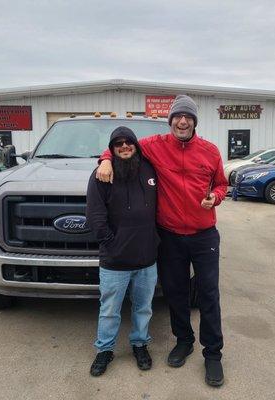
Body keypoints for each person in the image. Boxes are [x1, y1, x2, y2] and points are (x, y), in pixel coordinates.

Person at [96, 95, 228, 387]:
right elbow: (123, 146)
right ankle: (184, 341)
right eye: (178, 117)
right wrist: (105, 159)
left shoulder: (210, 151)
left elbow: (221, 183)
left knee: (208, 294)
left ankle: (213, 353)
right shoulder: (154, 145)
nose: (182, 122)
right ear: (171, 121)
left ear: (194, 122)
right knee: (176, 293)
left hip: (203, 235)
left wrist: (215, 197)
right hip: (169, 236)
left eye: (188, 118)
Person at [86, 126, 159, 377]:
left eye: (129, 142)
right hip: (115, 261)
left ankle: (140, 344)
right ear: (112, 148)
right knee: (109, 310)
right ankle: (104, 350)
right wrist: (111, 243)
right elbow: (95, 216)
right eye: (118, 143)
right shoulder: (102, 175)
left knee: (143, 307)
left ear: (136, 145)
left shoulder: (151, 168)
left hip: (147, 258)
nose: (125, 146)